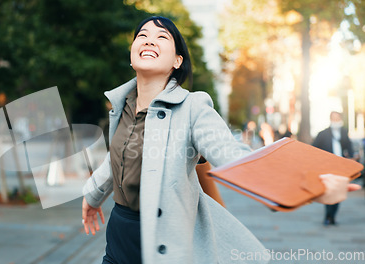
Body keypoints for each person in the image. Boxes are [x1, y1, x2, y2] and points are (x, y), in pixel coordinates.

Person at [81, 16, 360, 263]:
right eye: (142, 35)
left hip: (164, 238)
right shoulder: (123, 105)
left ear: (177, 61)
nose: (149, 40)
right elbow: (116, 157)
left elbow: (237, 157)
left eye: (161, 37)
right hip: (118, 234)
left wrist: (311, 187)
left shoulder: (192, 107)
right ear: (132, 56)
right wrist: (92, 197)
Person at [312, 111, 357, 226]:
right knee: (329, 191)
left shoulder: (343, 132)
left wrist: (352, 156)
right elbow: (314, 149)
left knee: (338, 191)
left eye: (338, 118)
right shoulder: (323, 134)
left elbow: (348, 146)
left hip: (340, 166)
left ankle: (332, 216)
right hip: (328, 166)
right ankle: (327, 216)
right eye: (334, 118)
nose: (336, 121)